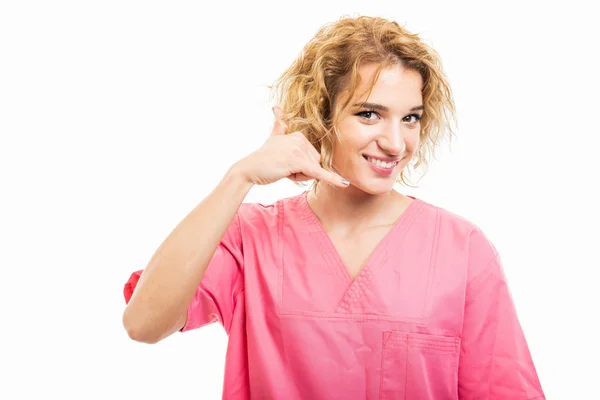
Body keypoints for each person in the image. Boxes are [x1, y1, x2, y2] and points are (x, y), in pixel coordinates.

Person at [122, 15, 545, 399]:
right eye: (368, 114)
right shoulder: (252, 239)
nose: (396, 143)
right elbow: (143, 324)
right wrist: (240, 178)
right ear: (321, 115)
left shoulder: (462, 249)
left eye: (410, 118)